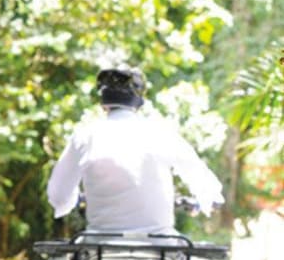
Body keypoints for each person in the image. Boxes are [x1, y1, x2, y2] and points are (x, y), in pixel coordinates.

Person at [46, 66, 224, 234]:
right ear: (139, 99)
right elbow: (206, 184)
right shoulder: (162, 133)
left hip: (101, 246)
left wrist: (70, 202)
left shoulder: (84, 136)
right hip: (159, 246)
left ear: (103, 101)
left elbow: (58, 195)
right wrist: (206, 200)